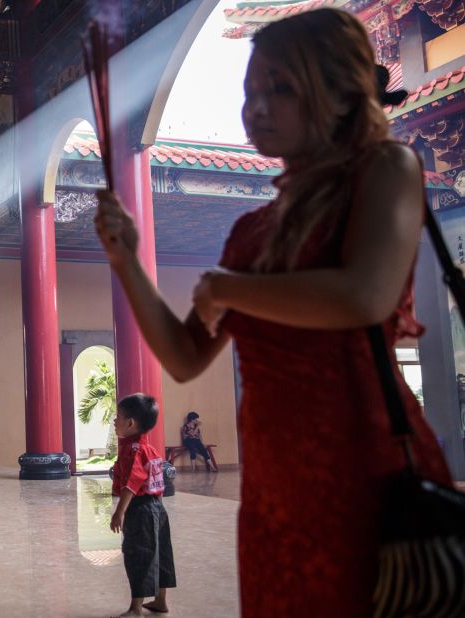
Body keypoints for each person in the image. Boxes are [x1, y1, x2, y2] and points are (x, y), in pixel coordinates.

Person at [94, 8, 452, 615]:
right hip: (273, 476)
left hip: (359, 457)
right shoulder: (252, 231)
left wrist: (231, 288)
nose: (255, 107)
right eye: (249, 92)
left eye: (279, 88)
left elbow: (363, 295)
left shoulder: (386, 169)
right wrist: (126, 260)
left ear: (340, 94)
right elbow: (183, 358)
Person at [110, 393, 175, 617]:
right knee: (161, 553)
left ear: (130, 423)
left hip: (140, 508)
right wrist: (157, 511)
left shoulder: (133, 450)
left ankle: (136, 608)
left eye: (117, 417)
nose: (114, 421)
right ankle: (160, 601)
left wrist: (119, 512)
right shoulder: (151, 449)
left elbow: (131, 483)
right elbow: (158, 482)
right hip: (158, 508)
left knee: (138, 554)